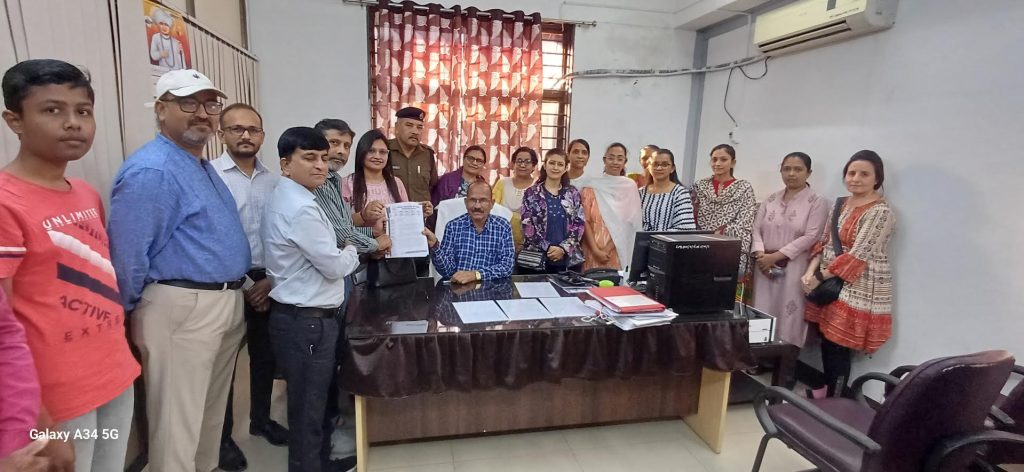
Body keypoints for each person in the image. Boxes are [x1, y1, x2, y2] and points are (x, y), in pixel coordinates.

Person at [0, 59, 139, 472]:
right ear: (14, 120)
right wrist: (36, 418)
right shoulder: (6, 202)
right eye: (52, 110)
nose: (73, 123)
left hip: (113, 374)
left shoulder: (84, 192)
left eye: (83, 111)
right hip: (53, 395)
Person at [109, 69, 249, 472]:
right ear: (160, 109)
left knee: (207, 418)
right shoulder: (153, 170)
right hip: (182, 305)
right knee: (176, 425)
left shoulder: (197, 164)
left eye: (210, 104)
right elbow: (128, 254)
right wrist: (130, 311)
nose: (202, 113)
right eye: (188, 103)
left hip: (221, 301)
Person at [263, 127, 361, 472]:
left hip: (302, 317)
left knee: (312, 401)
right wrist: (351, 248)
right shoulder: (301, 208)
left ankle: (318, 463)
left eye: (323, 158)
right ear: (285, 164)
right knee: (308, 406)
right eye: (309, 158)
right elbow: (334, 266)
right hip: (307, 321)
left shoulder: (291, 197)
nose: (320, 165)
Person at [210, 103, 286, 470]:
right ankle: (222, 438)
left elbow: (282, 235)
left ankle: (261, 420)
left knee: (264, 355)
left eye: (253, 130)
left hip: (268, 278)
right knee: (224, 363)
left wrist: (271, 280)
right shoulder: (210, 177)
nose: (245, 135)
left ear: (262, 136)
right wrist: (244, 283)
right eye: (236, 129)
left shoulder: (275, 181)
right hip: (225, 281)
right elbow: (210, 237)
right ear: (221, 134)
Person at [311, 119, 389, 464]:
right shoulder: (323, 183)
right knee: (323, 363)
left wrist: (376, 235)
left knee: (338, 350)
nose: (339, 151)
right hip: (326, 284)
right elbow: (342, 233)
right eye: (333, 143)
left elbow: (343, 227)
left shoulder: (331, 180)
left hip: (343, 276)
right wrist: (375, 242)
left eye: (345, 144)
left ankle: (334, 423)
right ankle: (323, 440)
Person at [801, 150, 895, 398]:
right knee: (825, 336)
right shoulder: (840, 204)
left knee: (839, 343)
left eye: (864, 174)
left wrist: (818, 278)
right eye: (851, 173)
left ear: (877, 178)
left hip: (857, 285)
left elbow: (857, 256)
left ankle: (836, 397)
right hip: (827, 279)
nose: (856, 179)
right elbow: (823, 241)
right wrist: (810, 272)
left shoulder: (880, 212)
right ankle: (827, 389)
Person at [751, 152, 828, 348]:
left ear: (808, 173)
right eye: (787, 169)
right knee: (761, 309)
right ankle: (758, 356)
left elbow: (812, 235)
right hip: (764, 267)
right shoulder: (771, 199)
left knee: (790, 312)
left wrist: (775, 257)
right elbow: (756, 228)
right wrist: (761, 256)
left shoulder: (817, 201)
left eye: (798, 169)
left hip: (795, 266)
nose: (791, 174)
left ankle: (785, 360)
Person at [343, 129, 434, 236]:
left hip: (396, 243)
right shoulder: (347, 183)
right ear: (361, 152)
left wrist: (419, 212)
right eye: (371, 151)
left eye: (383, 152)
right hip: (362, 244)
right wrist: (363, 215)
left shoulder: (397, 183)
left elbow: (405, 219)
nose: (377, 156)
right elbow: (341, 224)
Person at [424, 181, 515, 283]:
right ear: (466, 202)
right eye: (472, 200)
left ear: (492, 203)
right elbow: (447, 271)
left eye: (483, 200)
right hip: (459, 288)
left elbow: (507, 266)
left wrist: (476, 275)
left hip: (491, 288)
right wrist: (435, 245)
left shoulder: (503, 227)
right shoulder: (453, 227)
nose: (477, 206)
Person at [692, 143, 757, 280]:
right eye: (714, 159)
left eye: (723, 159)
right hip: (700, 246)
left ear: (733, 163)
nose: (717, 163)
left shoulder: (743, 188)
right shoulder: (700, 186)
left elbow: (746, 220)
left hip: (730, 249)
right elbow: (692, 216)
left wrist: (720, 234)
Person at [520, 148, 585, 273]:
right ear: (545, 165)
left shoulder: (573, 193)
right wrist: (548, 247)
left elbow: (579, 224)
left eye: (560, 164)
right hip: (536, 259)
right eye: (552, 163)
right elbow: (527, 226)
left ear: (565, 168)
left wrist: (563, 248)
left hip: (567, 259)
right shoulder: (531, 193)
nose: (555, 167)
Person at [579, 142, 642, 271]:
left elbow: (629, 222)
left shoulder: (629, 187)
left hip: (617, 250)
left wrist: (607, 249)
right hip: (591, 250)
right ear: (604, 160)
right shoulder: (591, 186)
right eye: (611, 158)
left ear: (625, 162)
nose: (615, 162)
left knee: (615, 282)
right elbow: (585, 220)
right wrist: (596, 250)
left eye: (620, 159)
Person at [386, 107, 437, 203]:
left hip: (421, 212)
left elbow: (433, 186)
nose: (415, 131)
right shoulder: (385, 151)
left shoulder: (427, 154)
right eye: (409, 125)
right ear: (397, 127)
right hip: (393, 211)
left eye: (419, 127)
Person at [639, 148, 696, 231]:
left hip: (669, 239)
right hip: (640, 239)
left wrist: (655, 236)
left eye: (665, 164)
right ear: (648, 167)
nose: (659, 168)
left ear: (672, 168)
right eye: (655, 164)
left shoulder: (680, 193)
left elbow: (685, 227)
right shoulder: (640, 193)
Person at [492, 146, 538, 249]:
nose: (522, 165)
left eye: (527, 162)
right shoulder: (502, 183)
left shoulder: (538, 187)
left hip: (529, 244)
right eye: (519, 161)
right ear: (513, 164)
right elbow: (493, 209)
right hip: (501, 240)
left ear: (534, 166)